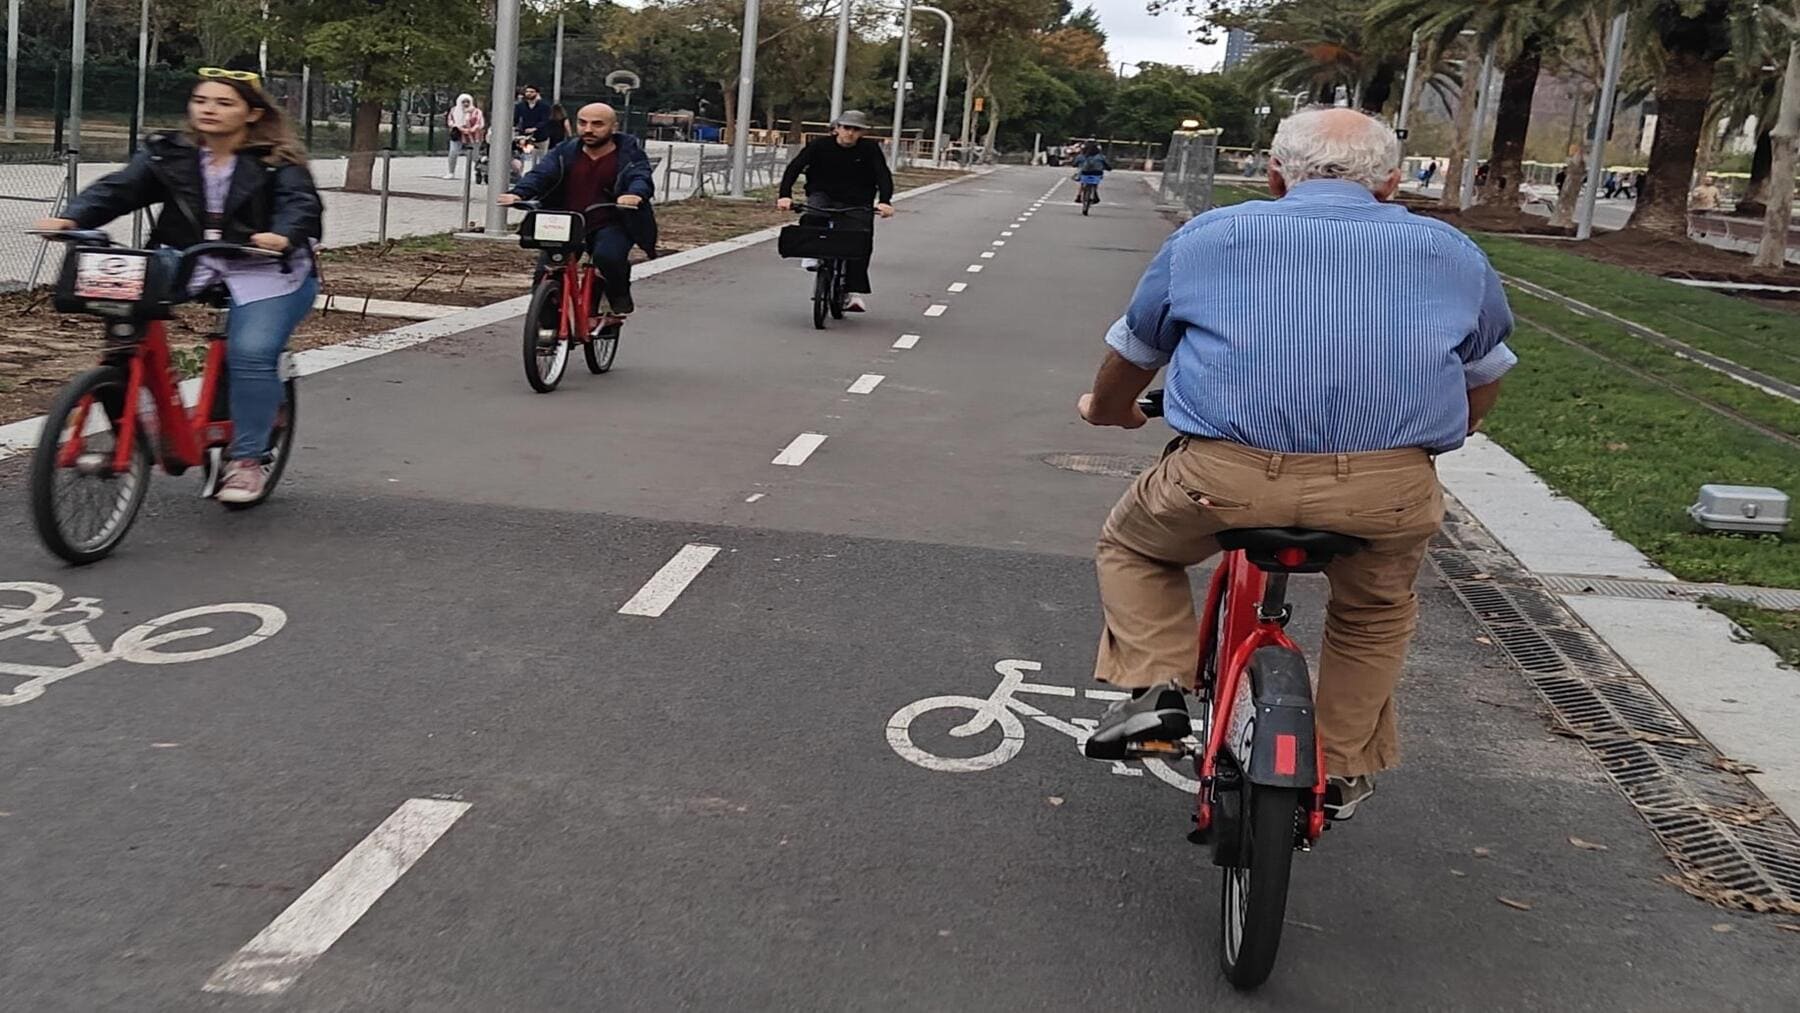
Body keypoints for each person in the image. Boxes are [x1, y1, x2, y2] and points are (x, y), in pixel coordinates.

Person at [1075, 107, 1516, 822]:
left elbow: (1136, 352)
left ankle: (1157, 689)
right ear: (1392, 182)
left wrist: (1107, 410)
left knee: (1133, 547)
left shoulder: (1210, 236)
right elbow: (1485, 372)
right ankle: (1339, 764)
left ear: (1275, 174)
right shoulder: (1454, 252)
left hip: (1223, 479)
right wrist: (1444, 434)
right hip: (1386, 488)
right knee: (1373, 611)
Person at [38, 67, 322, 504]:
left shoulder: (277, 162)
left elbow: (300, 205)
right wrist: (73, 217)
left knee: (251, 353)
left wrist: (283, 235)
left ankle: (248, 460)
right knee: (122, 319)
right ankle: (124, 399)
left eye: (224, 103)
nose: (209, 109)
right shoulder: (168, 154)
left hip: (267, 268)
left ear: (252, 114)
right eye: (201, 100)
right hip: (190, 260)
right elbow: (120, 189)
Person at [500, 102, 657, 338]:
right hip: (567, 222)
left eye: (597, 124)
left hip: (611, 220)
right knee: (545, 272)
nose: (588, 129)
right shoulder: (565, 151)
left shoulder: (629, 153)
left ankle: (616, 298)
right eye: (582, 123)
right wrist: (519, 193)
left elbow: (640, 176)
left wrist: (634, 194)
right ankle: (548, 328)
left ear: (613, 127)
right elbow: (542, 174)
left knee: (608, 257)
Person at [776, 110, 895, 314]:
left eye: (856, 129)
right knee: (813, 215)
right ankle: (811, 255)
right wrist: (784, 195)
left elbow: (883, 175)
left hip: (857, 200)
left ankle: (851, 292)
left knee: (860, 240)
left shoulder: (869, 149)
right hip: (823, 193)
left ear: (862, 133)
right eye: (846, 128)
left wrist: (885, 201)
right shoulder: (820, 146)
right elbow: (795, 167)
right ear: (836, 128)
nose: (850, 133)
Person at [445, 93, 485, 179]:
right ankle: (451, 172)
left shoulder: (476, 111)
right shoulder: (454, 110)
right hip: (458, 135)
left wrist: (472, 129)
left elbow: (479, 123)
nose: (466, 104)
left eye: (468, 101)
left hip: (473, 136)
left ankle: (478, 172)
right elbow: (450, 121)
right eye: (463, 102)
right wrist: (458, 127)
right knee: (453, 153)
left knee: (474, 156)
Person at [514, 85, 550, 170]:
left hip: (541, 136)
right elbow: (516, 119)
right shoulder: (520, 106)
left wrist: (535, 128)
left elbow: (545, 120)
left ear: (537, 93)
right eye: (527, 92)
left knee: (541, 158)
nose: (529, 93)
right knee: (526, 157)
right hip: (525, 136)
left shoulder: (544, 106)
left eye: (531, 92)